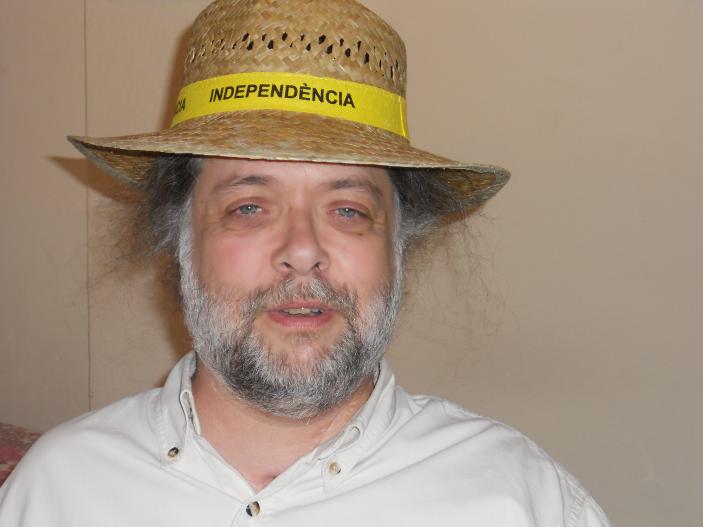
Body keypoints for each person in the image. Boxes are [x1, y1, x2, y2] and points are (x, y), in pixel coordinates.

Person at [0, 0, 610, 525]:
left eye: (347, 210)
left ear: (398, 249)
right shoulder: (59, 490)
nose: (302, 250)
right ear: (178, 239)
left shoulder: (521, 501)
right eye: (248, 207)